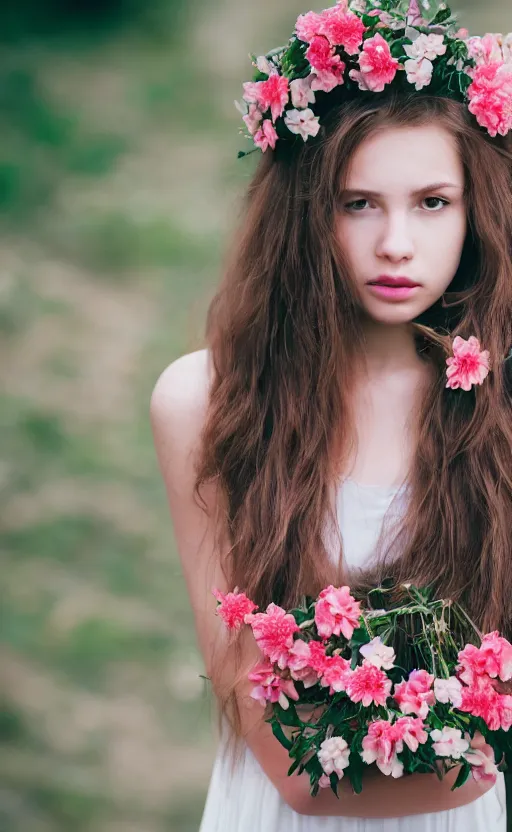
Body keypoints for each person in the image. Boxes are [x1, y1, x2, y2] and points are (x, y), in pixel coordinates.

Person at [150, 1, 512, 828]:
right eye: (358, 204)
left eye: (432, 202)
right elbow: (274, 738)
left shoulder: (498, 399)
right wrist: (457, 766)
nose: (395, 243)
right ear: (307, 214)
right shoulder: (205, 400)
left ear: (474, 212)